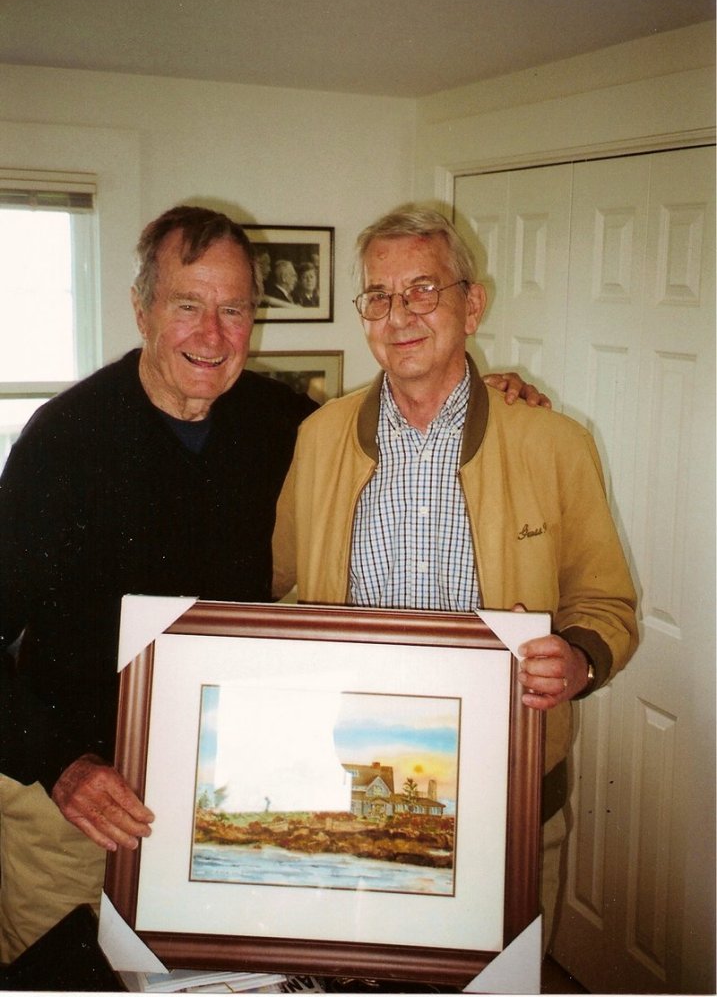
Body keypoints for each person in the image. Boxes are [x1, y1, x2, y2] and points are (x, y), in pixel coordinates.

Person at [0, 202, 547, 963]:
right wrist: (60, 765)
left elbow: (399, 415)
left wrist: (493, 396)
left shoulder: (286, 424)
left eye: (233, 310)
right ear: (142, 309)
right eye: (187, 306)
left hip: (227, 798)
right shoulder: (58, 442)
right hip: (78, 809)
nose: (212, 334)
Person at [271, 204, 639, 950]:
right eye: (378, 296)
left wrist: (577, 657)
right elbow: (280, 591)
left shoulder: (554, 443)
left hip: (510, 794)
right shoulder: (315, 440)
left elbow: (607, 604)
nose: (398, 314)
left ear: (472, 305)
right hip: (351, 792)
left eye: (422, 290)